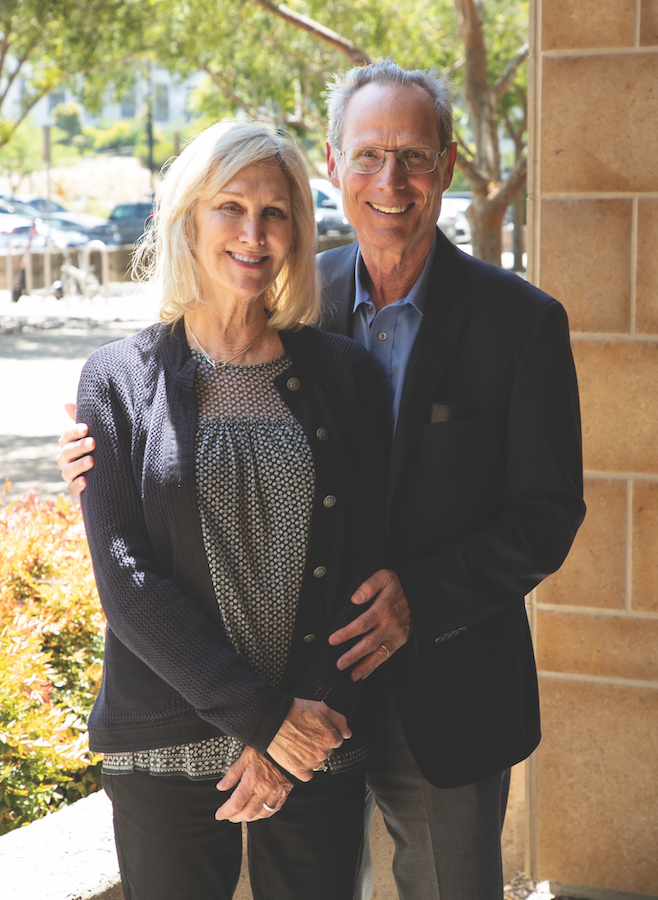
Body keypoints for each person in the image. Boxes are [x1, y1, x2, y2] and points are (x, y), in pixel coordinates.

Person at [59, 61, 586, 900]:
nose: (391, 180)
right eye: (368, 155)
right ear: (335, 167)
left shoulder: (519, 323)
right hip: (282, 693)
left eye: (413, 157)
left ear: (447, 167)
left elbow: (550, 512)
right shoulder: (299, 297)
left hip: (438, 691)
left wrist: (422, 594)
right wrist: (108, 456)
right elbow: (174, 463)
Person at [68, 119, 389, 900]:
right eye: (230, 208)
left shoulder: (345, 375)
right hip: (167, 747)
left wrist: (290, 733)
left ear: (297, 232)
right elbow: (127, 582)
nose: (253, 233)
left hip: (316, 738)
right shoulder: (115, 380)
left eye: (275, 212)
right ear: (189, 218)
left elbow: (364, 563)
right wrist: (261, 719)